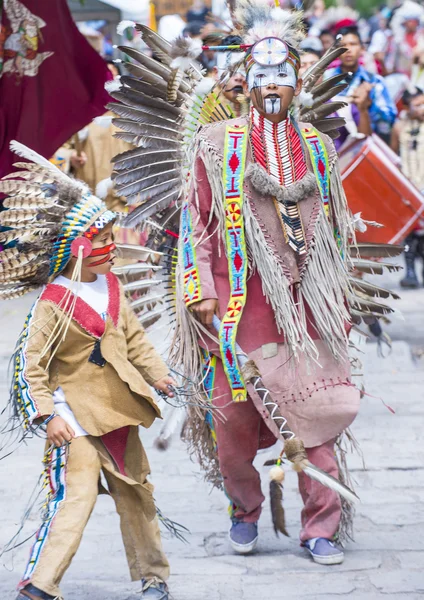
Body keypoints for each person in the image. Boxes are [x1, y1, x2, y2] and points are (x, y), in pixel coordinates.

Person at [174, 2, 364, 566]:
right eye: (263, 76)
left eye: (284, 75)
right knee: (233, 423)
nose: (274, 85)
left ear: (298, 82)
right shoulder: (215, 143)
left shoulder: (320, 149)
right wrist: (200, 287)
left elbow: (332, 233)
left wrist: (338, 301)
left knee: (317, 418)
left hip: (306, 312)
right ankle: (244, 510)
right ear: (246, 83)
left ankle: (320, 526)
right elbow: (197, 224)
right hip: (238, 309)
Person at [0, 144, 174, 600]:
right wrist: (46, 414)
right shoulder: (53, 302)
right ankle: (40, 585)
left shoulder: (112, 285)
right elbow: (28, 365)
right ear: (77, 248)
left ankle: (154, 577)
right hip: (72, 417)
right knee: (72, 500)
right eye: (101, 240)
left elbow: (133, 340)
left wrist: (158, 375)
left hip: (117, 411)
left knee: (138, 496)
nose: (111, 247)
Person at [325, 26, 397, 149]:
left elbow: (389, 119)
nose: (348, 50)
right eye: (343, 45)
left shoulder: (374, 81)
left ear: (362, 49)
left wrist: (369, 105)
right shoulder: (326, 79)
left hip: (366, 146)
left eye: (353, 44)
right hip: (333, 146)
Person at [391, 87, 424, 287]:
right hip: (410, 185)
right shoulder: (399, 127)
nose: (422, 108)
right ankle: (410, 270)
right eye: (418, 105)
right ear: (406, 107)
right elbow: (393, 154)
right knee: (411, 232)